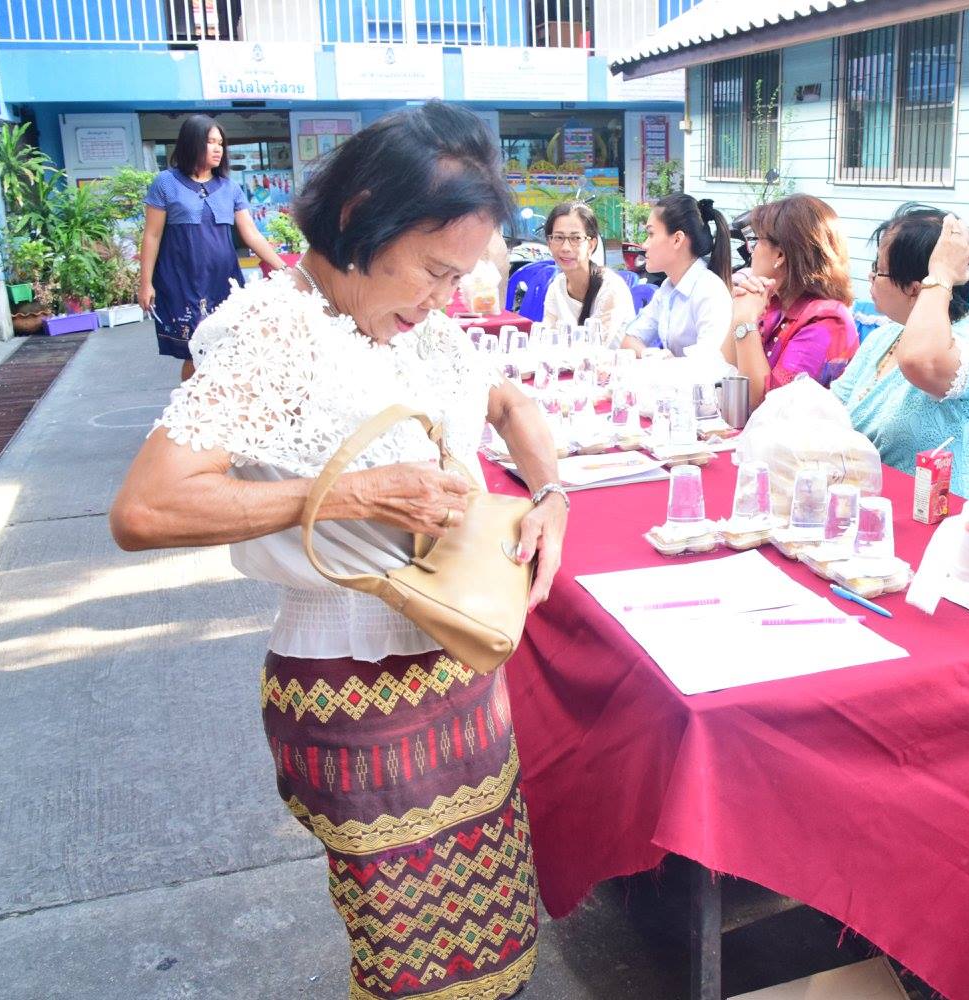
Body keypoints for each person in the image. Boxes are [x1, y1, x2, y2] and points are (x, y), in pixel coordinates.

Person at [111, 102, 564, 1000]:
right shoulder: (273, 330)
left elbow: (511, 404)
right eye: (435, 270)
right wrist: (352, 493)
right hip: (353, 689)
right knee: (409, 960)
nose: (444, 299)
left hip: (461, 666)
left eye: (459, 277)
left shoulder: (419, 328)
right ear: (361, 216)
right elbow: (146, 508)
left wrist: (551, 496)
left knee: (495, 931)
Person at [831, 205, 969, 498]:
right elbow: (833, 409)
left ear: (916, 289)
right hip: (879, 507)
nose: (870, 276)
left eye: (879, 269)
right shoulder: (885, 336)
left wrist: (941, 274)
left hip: (953, 517)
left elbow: (920, 361)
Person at [138, 114, 288, 381]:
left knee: (228, 347)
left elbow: (252, 235)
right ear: (192, 142)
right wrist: (145, 283)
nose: (218, 149)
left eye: (221, 143)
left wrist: (284, 269)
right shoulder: (166, 183)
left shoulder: (230, 188)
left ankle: (219, 401)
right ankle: (189, 402)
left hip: (223, 281)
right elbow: (152, 235)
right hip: (180, 281)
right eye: (210, 142)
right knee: (195, 351)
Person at [720, 194, 859, 411]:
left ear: (780, 255)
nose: (750, 251)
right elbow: (725, 370)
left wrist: (744, 322)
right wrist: (739, 314)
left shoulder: (826, 320)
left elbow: (764, 406)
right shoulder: (774, 301)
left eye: (756, 241)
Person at [620, 194, 733, 358]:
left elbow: (709, 363)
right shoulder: (667, 288)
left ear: (677, 239)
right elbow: (629, 340)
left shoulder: (710, 291)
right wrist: (649, 354)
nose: (644, 245)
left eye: (651, 234)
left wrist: (666, 364)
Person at [541, 201, 635, 333]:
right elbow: (547, 336)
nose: (565, 247)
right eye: (558, 237)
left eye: (576, 238)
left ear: (591, 245)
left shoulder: (611, 288)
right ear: (549, 243)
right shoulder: (557, 286)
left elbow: (601, 343)